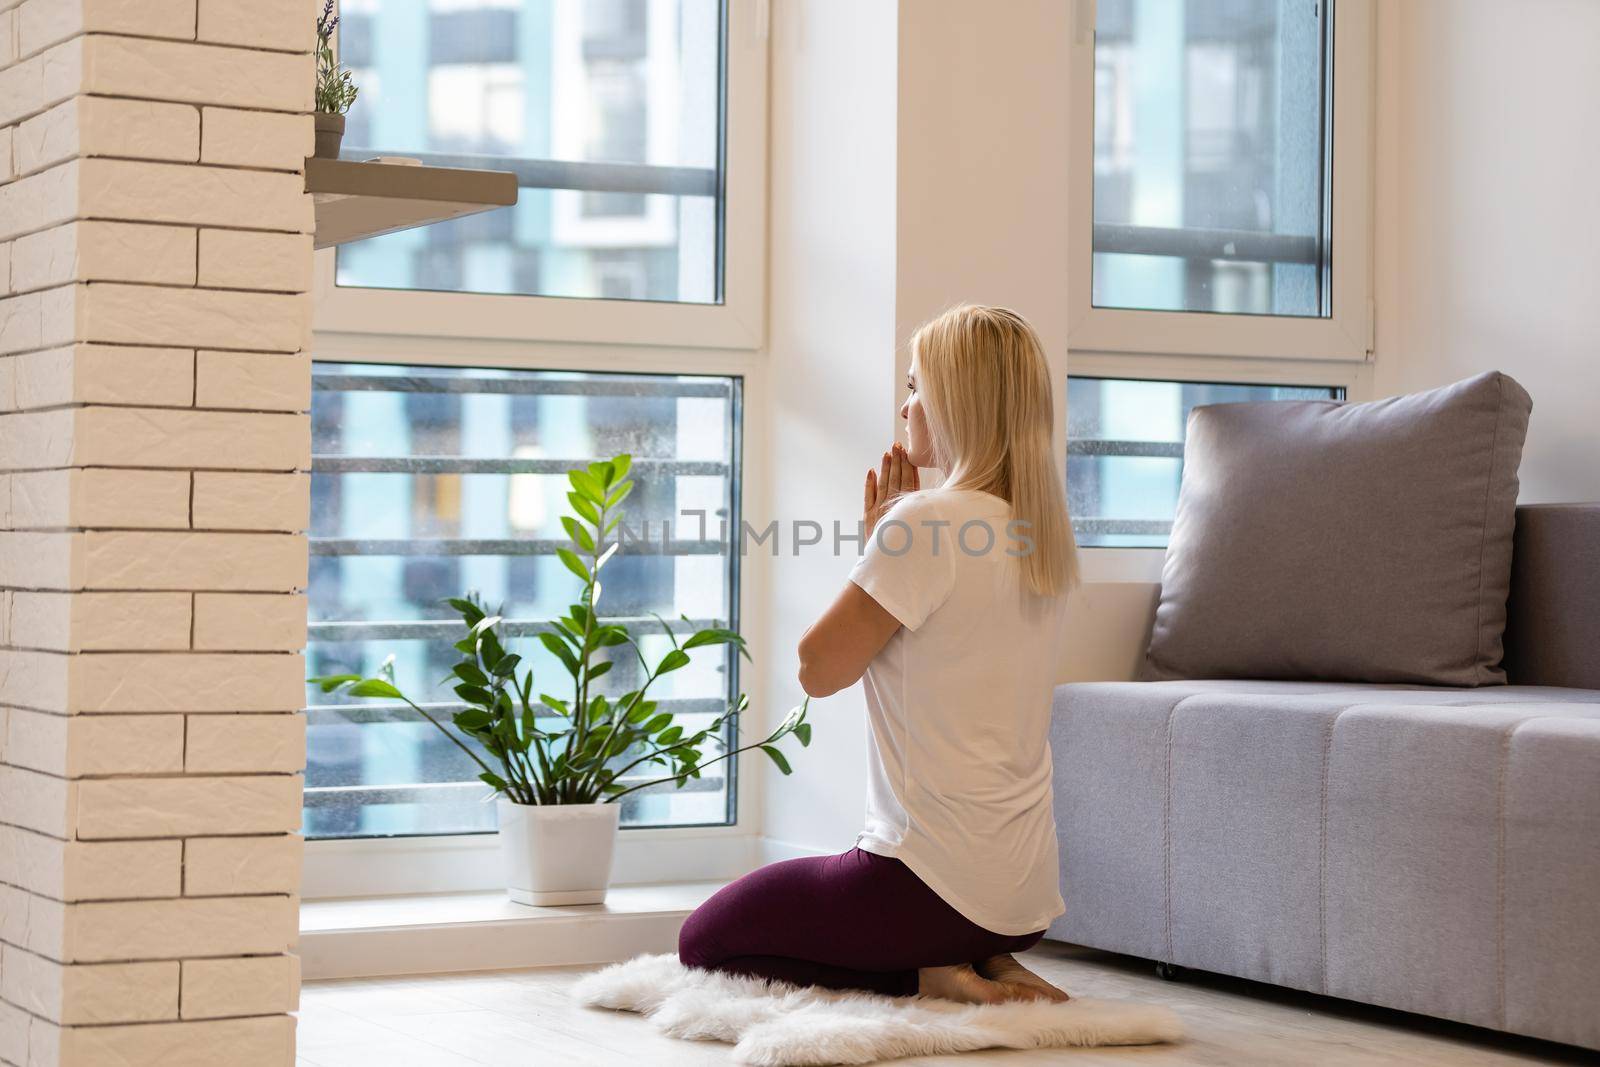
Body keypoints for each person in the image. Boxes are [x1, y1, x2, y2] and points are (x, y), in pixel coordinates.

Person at [677, 304, 1081, 1005]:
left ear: (958, 401)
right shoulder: (1034, 531)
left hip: (927, 887)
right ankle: (983, 959)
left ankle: (925, 970)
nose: (905, 404)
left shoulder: (926, 522)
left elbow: (817, 670)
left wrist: (880, 542)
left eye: (917, 386)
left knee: (705, 940)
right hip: (1023, 899)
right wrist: (886, 544)